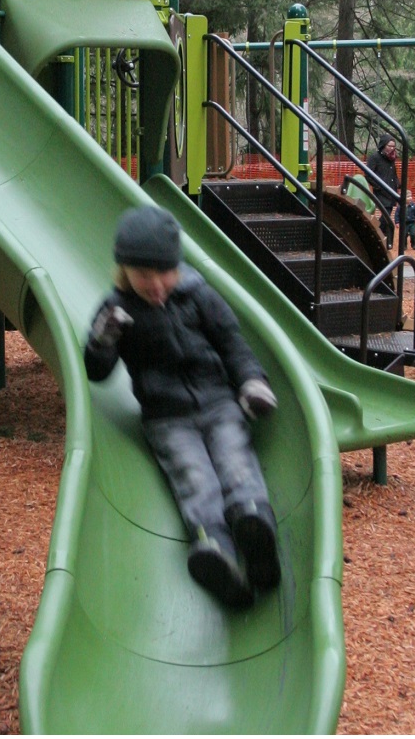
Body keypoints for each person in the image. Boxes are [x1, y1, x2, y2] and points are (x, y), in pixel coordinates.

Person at [84, 207, 280, 610]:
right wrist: (101, 342)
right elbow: (97, 371)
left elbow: (232, 343)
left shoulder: (198, 294)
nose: (155, 286)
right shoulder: (117, 310)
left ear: (177, 266)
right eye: (142, 276)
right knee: (194, 477)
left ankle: (252, 521)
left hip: (219, 402)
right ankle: (215, 546)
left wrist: (251, 383)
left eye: (164, 274)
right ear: (124, 272)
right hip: (167, 418)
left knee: (234, 457)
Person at [366, 134, 400, 247]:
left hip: (391, 192)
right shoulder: (375, 157)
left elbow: (393, 174)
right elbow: (368, 174)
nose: (392, 148)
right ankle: (376, 235)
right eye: (390, 145)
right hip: (380, 192)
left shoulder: (392, 158)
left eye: (394, 146)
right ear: (384, 145)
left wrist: (398, 184)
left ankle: (384, 240)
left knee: (387, 218)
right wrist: (378, 186)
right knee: (386, 218)